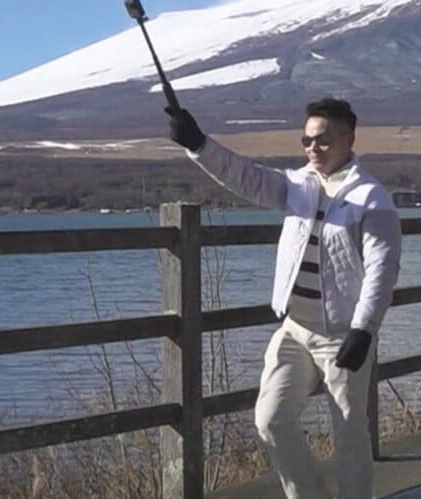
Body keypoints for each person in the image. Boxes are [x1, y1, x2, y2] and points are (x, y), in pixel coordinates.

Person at [166, 97, 401, 499]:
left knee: (349, 430)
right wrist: (199, 144)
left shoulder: (371, 199)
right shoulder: (298, 186)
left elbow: (382, 269)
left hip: (342, 333)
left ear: (349, 140)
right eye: (307, 140)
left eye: (323, 140)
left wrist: (363, 331)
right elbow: (244, 176)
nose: (313, 148)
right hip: (294, 328)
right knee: (271, 419)